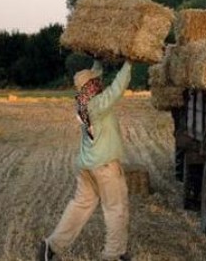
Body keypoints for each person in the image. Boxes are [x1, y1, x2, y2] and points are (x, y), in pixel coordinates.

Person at [38, 60, 133, 261]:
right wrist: (129, 63)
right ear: (91, 86)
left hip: (86, 166)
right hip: (105, 166)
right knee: (116, 209)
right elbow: (117, 88)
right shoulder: (97, 105)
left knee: (80, 206)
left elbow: (95, 75)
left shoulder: (82, 103)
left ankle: (51, 246)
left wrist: (98, 58)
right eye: (95, 82)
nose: (99, 83)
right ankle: (114, 254)